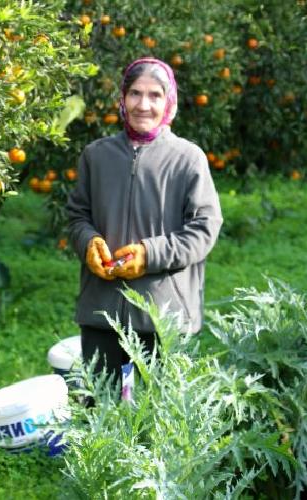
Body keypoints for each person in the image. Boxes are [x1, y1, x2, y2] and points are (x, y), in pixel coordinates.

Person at [66, 57, 222, 383]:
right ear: (122, 99)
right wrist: (88, 242)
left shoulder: (187, 159)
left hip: (162, 316)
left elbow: (204, 228)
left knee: (156, 421)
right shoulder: (97, 156)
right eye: (135, 93)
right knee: (101, 413)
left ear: (169, 102)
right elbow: (78, 214)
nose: (144, 105)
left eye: (155, 95)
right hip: (102, 313)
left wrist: (149, 255)